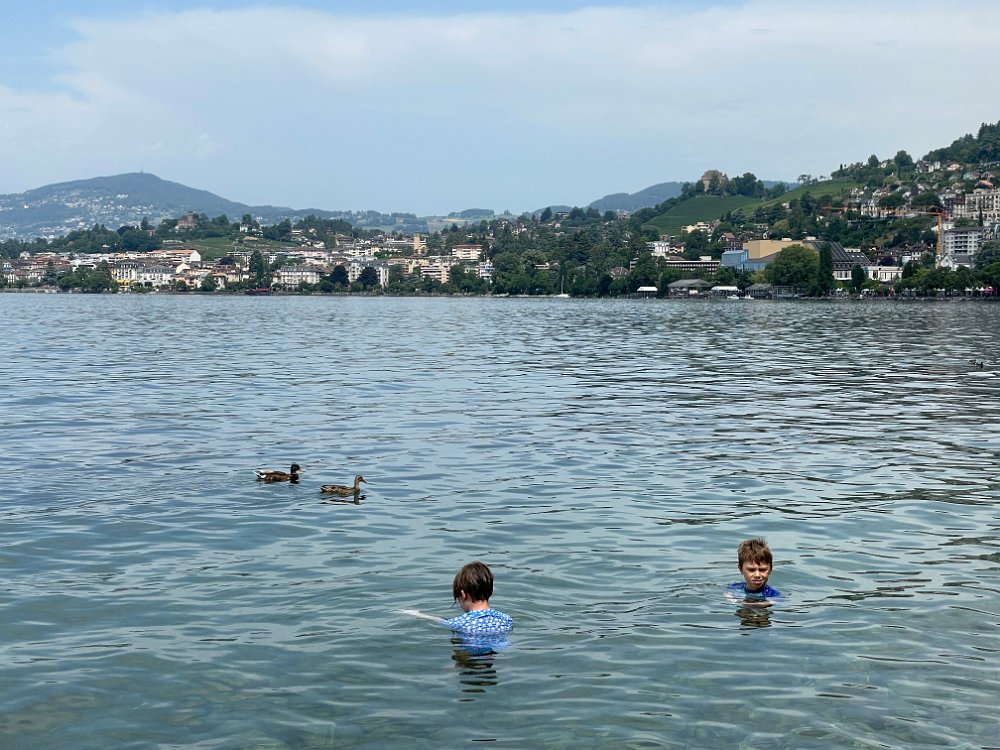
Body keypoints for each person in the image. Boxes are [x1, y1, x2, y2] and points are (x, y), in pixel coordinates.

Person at [400, 561, 513, 646]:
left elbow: (440, 621)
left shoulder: (460, 623)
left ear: (463, 595)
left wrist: (417, 614)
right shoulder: (506, 619)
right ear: (490, 591)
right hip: (498, 651)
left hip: (470, 655)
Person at [726, 538, 781, 602]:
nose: (757, 575)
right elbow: (727, 595)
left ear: (770, 570)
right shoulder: (734, 588)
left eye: (762, 570)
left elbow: (774, 601)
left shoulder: (773, 595)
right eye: (751, 570)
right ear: (741, 569)